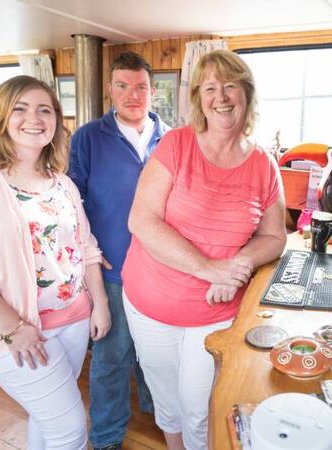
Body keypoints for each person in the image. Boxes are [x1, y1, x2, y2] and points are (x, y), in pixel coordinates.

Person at [0, 75, 111, 449]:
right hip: (20, 332)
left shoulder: (60, 182)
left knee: (47, 420)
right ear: (1, 116)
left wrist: (100, 305)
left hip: (74, 319)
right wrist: (14, 328)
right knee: (71, 429)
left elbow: (86, 245)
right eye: (21, 108)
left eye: (45, 109)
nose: (35, 118)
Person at [122, 49, 286, 450]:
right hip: (149, 303)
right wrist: (208, 267)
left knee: (198, 405)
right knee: (166, 398)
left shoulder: (265, 164)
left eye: (231, 85)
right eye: (210, 88)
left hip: (215, 311)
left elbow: (276, 237)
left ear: (246, 94)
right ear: (199, 98)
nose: (221, 96)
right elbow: (141, 221)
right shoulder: (176, 146)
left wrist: (238, 265)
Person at [68, 51, 169, 450]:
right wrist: (87, 253)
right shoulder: (87, 138)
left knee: (155, 355)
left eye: (140, 87)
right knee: (111, 359)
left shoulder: (173, 140)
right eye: (123, 86)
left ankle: (158, 414)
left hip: (162, 271)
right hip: (111, 270)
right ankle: (107, 437)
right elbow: (72, 202)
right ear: (110, 89)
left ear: (152, 92)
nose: (132, 95)